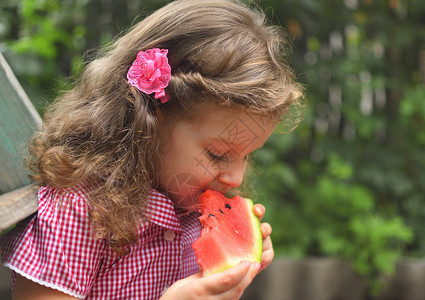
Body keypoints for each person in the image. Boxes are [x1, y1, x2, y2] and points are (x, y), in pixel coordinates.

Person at [0, 0, 304, 299]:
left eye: (247, 154)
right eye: (218, 153)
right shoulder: (80, 208)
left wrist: (229, 267)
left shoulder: (190, 211)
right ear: (154, 119)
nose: (236, 178)